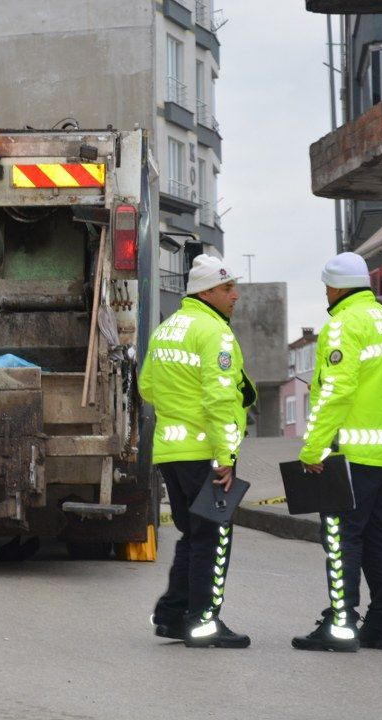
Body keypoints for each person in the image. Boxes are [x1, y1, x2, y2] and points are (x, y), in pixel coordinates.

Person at [293, 252, 382, 652]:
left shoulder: (343, 325)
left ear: (340, 286)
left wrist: (313, 448)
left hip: (350, 454)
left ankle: (342, 624)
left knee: (342, 538)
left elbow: (335, 392)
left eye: (327, 285)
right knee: (377, 535)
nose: (326, 292)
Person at [139, 254, 256, 649]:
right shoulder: (215, 334)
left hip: (171, 453)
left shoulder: (166, 330)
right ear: (206, 292)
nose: (235, 295)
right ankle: (204, 621)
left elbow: (147, 389)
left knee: (192, 535)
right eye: (227, 288)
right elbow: (221, 398)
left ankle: (173, 615)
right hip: (205, 452)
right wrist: (225, 456)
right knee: (213, 538)